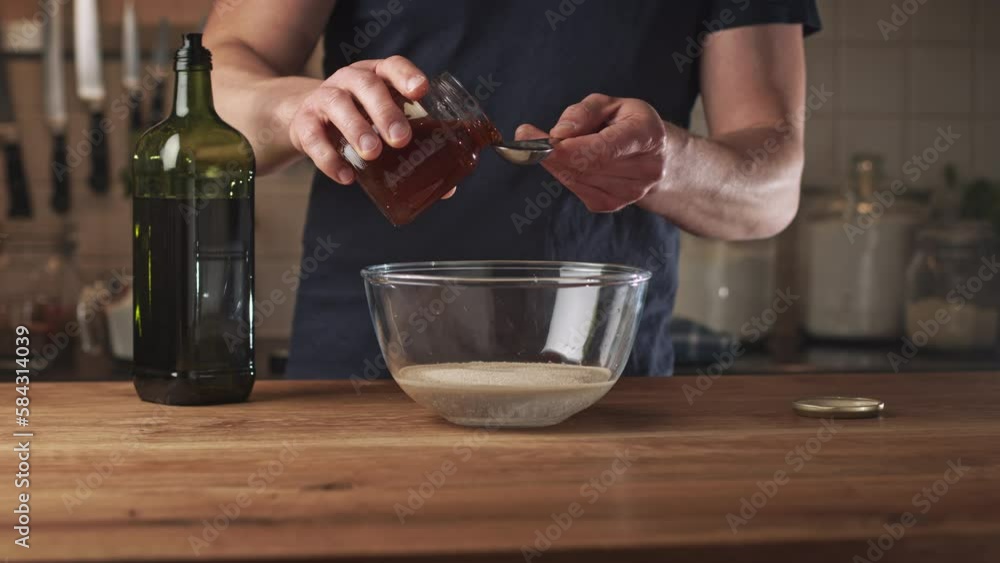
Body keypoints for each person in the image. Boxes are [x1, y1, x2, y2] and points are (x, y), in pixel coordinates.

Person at [204, 0, 820, 379]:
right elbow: (212, 90)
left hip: (597, 385)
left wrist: (670, 162)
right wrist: (303, 110)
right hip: (364, 386)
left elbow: (771, 189)